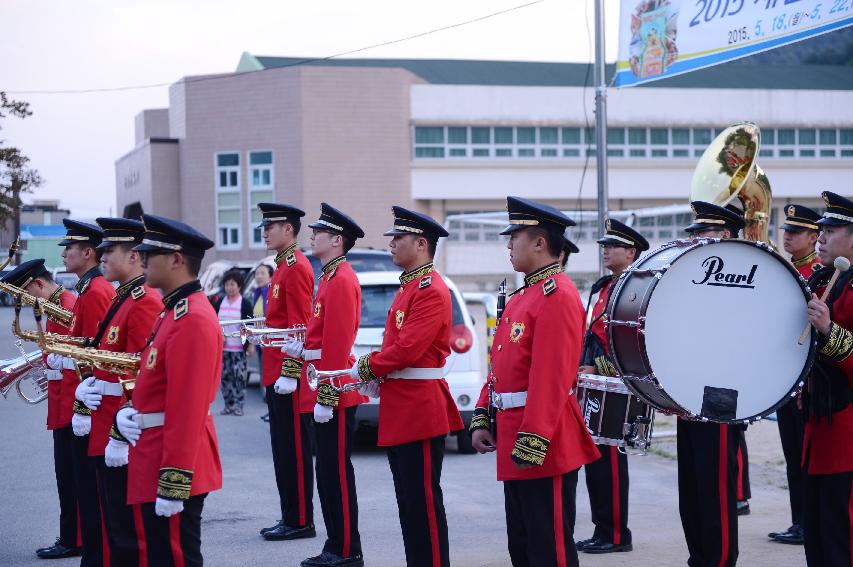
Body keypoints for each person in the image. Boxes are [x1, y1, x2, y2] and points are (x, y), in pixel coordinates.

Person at [470, 196, 600, 567]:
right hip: (514, 429)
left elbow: (552, 379)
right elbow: (499, 365)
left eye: (516, 237)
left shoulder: (557, 295)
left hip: (544, 438)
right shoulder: (524, 294)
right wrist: (482, 414)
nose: (510, 245)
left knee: (550, 547)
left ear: (540, 243)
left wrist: (535, 438)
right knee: (523, 545)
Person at [351, 206, 463, 567]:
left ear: (420, 243)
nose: (392, 244)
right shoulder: (410, 286)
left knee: (423, 503)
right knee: (409, 502)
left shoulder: (430, 289)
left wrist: (365, 367)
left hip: (420, 408)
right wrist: (376, 374)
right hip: (403, 404)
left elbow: (407, 350)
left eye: (398, 238)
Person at [113, 214, 223, 567]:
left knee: (175, 558)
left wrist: (174, 480)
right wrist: (130, 412)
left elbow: (187, 407)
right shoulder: (172, 312)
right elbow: (155, 381)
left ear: (177, 259)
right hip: (154, 451)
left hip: (173, 462)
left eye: (151, 253)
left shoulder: (191, 319)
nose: (141, 259)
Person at [72, 217, 164, 566]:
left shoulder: (142, 301)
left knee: (128, 534)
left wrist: (119, 434)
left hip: (121, 427)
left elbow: (141, 377)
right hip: (104, 418)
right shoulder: (123, 298)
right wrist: (85, 388)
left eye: (111, 250)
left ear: (135, 257)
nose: (104, 256)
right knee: (111, 521)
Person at [282, 203, 367, 567]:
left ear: (336, 240)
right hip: (321, 386)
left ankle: (347, 548)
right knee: (327, 474)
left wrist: (327, 397)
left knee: (336, 475)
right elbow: (321, 338)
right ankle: (336, 544)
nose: (311, 235)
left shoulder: (343, 279)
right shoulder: (328, 277)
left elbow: (337, 343)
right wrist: (303, 347)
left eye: (318, 232)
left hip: (332, 392)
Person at [677, 201, 745, 567]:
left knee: (715, 488)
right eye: (696, 232)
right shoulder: (695, 277)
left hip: (721, 393)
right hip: (688, 390)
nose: (697, 239)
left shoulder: (745, 278)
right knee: (690, 488)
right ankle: (699, 558)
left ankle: (718, 561)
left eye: (704, 232)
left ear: (727, 235)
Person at [575, 218, 649, 554]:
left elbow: (638, 339)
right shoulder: (604, 287)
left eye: (614, 246)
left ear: (631, 251)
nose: (607, 250)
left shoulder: (638, 286)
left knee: (610, 460)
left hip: (618, 383)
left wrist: (601, 367)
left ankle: (618, 534)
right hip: (597, 383)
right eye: (605, 245)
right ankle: (602, 529)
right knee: (595, 459)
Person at [1, 260, 82, 559]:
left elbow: (81, 354)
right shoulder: (53, 306)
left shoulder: (68, 305)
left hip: (73, 406)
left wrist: (54, 364)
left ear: (38, 284)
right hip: (62, 405)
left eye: (24, 297)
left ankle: (74, 539)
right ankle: (72, 535)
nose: (24, 304)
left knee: (71, 477)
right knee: (66, 476)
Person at [57, 219, 116, 567]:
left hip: (91, 402)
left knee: (93, 491)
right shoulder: (87, 289)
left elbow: (96, 355)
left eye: (70, 248)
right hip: (83, 397)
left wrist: (82, 401)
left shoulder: (95, 292)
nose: (65, 253)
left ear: (89, 252)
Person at [256, 202, 316, 541]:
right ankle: (289, 515)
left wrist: (290, 374)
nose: (265, 231)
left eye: (272, 226)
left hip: (286, 379)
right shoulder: (281, 267)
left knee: (293, 449)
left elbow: (301, 328)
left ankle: (300, 520)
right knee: (282, 450)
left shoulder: (295, 267)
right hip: (274, 372)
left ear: (289, 230)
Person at [801, 191, 853, 567]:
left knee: (841, 533)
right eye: (821, 230)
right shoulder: (824, 279)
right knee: (816, 532)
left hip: (847, 431)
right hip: (817, 425)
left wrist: (828, 330)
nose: (820, 237)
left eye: (831, 230)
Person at [766, 204, 822, 546]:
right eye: (787, 230)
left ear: (814, 238)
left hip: (807, 380)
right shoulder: (788, 271)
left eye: (796, 232)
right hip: (786, 377)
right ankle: (798, 520)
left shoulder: (817, 273)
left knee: (805, 455)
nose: (788, 236)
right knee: (792, 453)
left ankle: (807, 521)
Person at [213, 269, 254, 416]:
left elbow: (250, 326)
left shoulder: (245, 303)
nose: (229, 287)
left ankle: (239, 405)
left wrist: (250, 345)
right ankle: (228, 405)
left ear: (239, 286)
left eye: (232, 284)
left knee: (239, 377)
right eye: (227, 284)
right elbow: (214, 323)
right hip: (223, 349)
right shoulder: (220, 302)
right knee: (225, 378)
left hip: (238, 349)